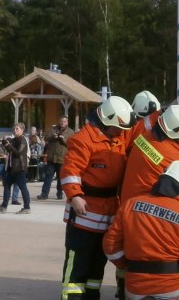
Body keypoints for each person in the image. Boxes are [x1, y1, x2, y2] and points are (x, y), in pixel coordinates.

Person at [59, 95, 137, 300]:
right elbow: (70, 171)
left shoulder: (119, 137)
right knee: (78, 264)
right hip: (84, 213)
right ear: (106, 122)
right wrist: (75, 196)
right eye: (118, 128)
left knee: (97, 266)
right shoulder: (83, 140)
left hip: (108, 211)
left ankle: (92, 296)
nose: (122, 132)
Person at [102, 161, 179, 300]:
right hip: (174, 291)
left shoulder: (130, 205)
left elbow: (110, 246)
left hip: (135, 290)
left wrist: (129, 265)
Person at [119, 105, 179, 203]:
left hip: (128, 203)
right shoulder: (172, 156)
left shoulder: (146, 135)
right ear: (177, 132)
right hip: (144, 210)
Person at [0, 122, 31, 214]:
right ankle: (3, 206)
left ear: (22, 130)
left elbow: (18, 153)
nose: (14, 131)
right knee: (6, 186)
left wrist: (9, 145)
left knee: (23, 187)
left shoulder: (23, 140)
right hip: (11, 167)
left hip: (19, 168)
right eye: (14, 129)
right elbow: (10, 151)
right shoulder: (14, 139)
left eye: (17, 129)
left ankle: (27, 207)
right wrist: (5, 144)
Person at [38, 115, 73, 201]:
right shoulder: (53, 129)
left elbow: (72, 144)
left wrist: (63, 139)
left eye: (64, 121)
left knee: (60, 178)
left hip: (62, 159)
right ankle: (44, 194)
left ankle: (59, 193)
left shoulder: (70, 132)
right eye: (61, 121)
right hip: (51, 158)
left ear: (67, 122)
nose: (62, 123)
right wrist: (52, 137)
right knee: (48, 177)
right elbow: (46, 138)